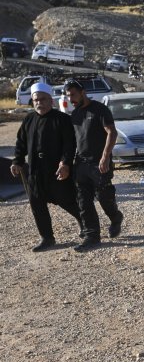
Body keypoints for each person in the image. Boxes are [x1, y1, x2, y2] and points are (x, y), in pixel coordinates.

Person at [11, 83, 83, 251]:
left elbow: (69, 145)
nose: (39, 103)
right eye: (36, 100)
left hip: (57, 170)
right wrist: (17, 161)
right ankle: (47, 238)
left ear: (51, 100)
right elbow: (21, 143)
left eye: (43, 99)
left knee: (68, 201)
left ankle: (86, 225)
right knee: (37, 204)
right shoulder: (29, 119)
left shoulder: (62, 119)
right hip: (35, 171)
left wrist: (65, 163)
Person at [65, 78, 125, 252]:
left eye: (73, 95)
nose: (71, 99)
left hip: (99, 164)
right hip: (81, 164)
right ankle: (92, 236)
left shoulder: (99, 109)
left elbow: (111, 132)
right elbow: (73, 141)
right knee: (83, 201)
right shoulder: (75, 114)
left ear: (82, 92)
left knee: (104, 197)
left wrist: (105, 156)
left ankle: (115, 217)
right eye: (68, 96)